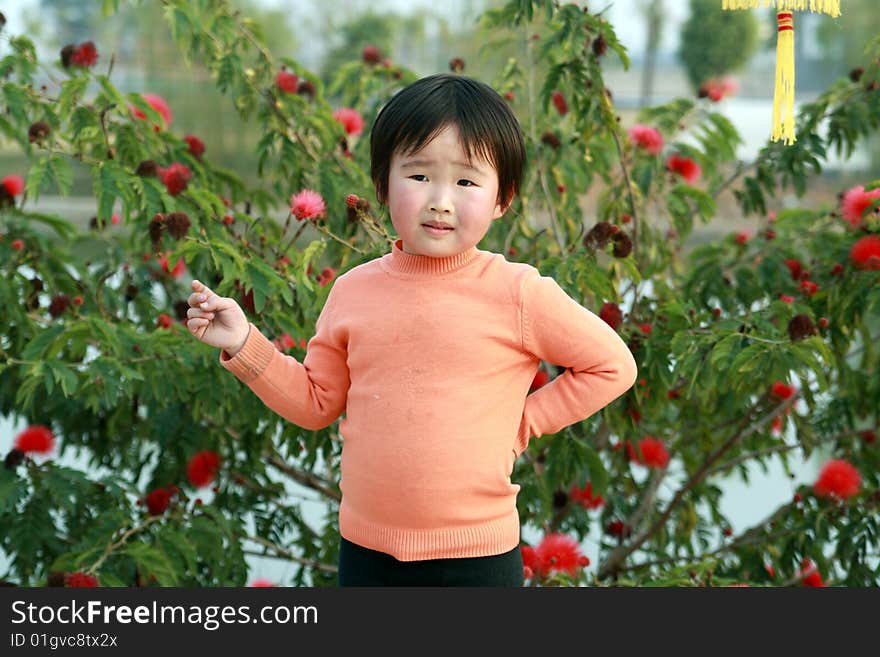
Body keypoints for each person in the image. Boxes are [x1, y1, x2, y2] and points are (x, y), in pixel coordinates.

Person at [185, 73, 638, 586]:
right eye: (419, 176)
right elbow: (316, 403)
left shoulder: (518, 292)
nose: (441, 200)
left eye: (467, 182)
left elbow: (613, 366)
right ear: (382, 184)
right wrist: (244, 344)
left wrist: (521, 422)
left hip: (478, 558)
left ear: (502, 199)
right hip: (366, 553)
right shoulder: (353, 291)